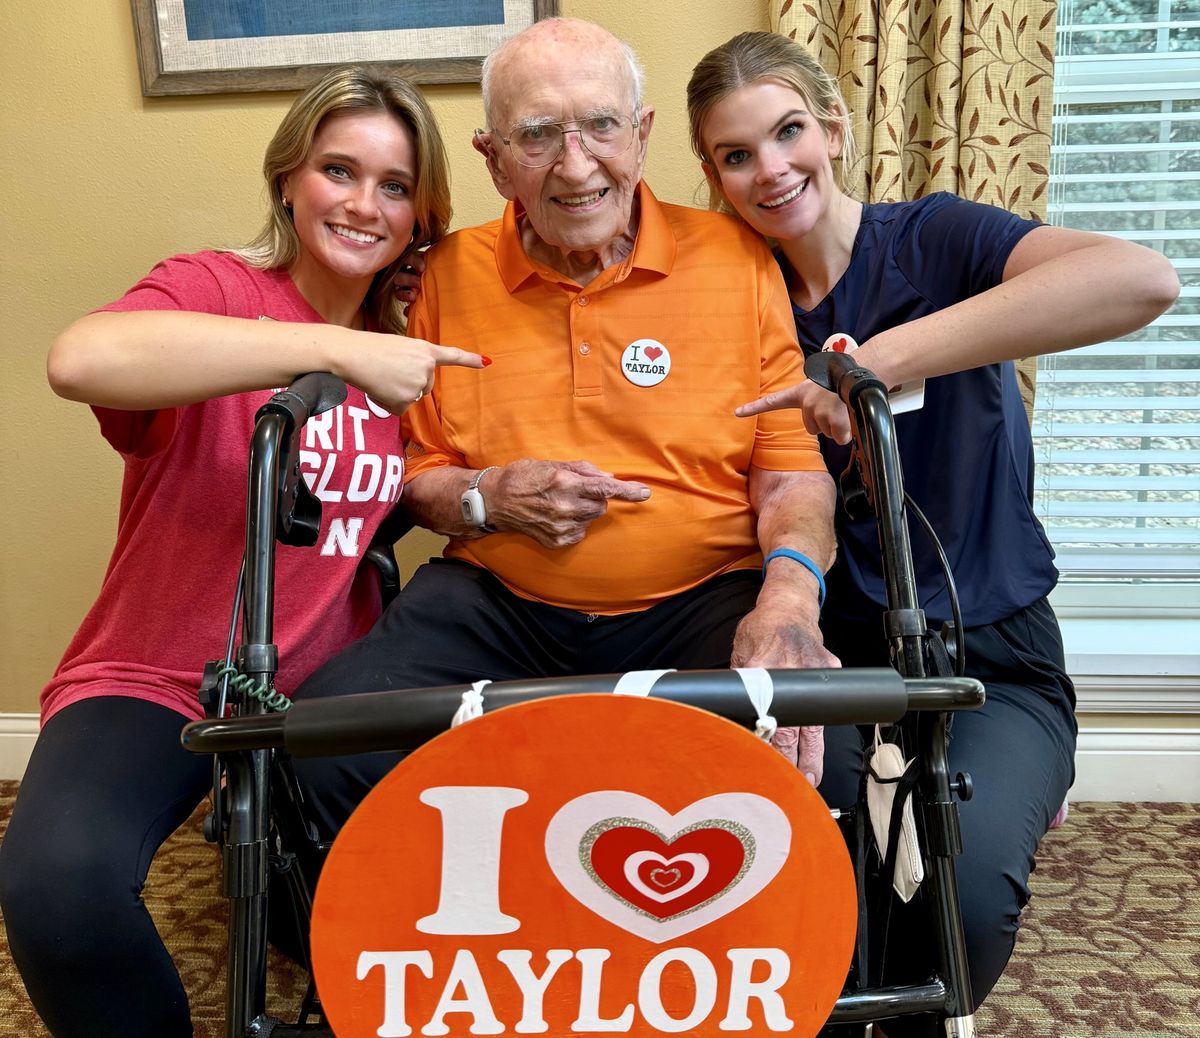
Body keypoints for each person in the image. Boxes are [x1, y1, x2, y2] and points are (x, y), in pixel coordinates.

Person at [686, 30, 1180, 1035]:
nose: (770, 168)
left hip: (992, 653)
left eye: (788, 132)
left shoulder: (937, 239)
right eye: (737, 154)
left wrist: (876, 360)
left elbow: (1141, 280)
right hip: (835, 655)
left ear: (834, 128)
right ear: (714, 175)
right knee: (811, 893)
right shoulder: (730, 298)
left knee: (962, 907)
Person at [0, 66, 485, 1038]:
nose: (363, 204)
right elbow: (80, 359)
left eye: (394, 186)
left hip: (329, 690)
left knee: (375, 938)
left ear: (420, 216)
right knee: (60, 890)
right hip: (160, 674)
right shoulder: (216, 290)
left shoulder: (418, 345)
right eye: (338, 170)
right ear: (288, 179)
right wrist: (331, 351)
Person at [288, 17, 839, 849]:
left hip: (701, 594)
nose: (576, 166)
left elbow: (791, 471)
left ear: (642, 135)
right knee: (328, 739)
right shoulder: (443, 274)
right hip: (497, 600)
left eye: (601, 126)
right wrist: (487, 496)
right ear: (494, 159)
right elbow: (420, 474)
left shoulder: (737, 256)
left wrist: (789, 599)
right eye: (539, 135)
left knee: (824, 750)